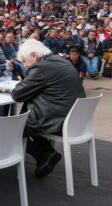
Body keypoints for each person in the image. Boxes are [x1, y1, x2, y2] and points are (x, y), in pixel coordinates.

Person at [12, 39, 85, 178]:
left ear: (34, 56)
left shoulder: (40, 68)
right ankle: (45, 153)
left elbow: (17, 95)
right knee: (25, 119)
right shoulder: (61, 60)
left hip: (58, 119)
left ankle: (44, 153)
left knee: (13, 126)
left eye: (24, 61)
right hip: (74, 117)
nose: (25, 65)